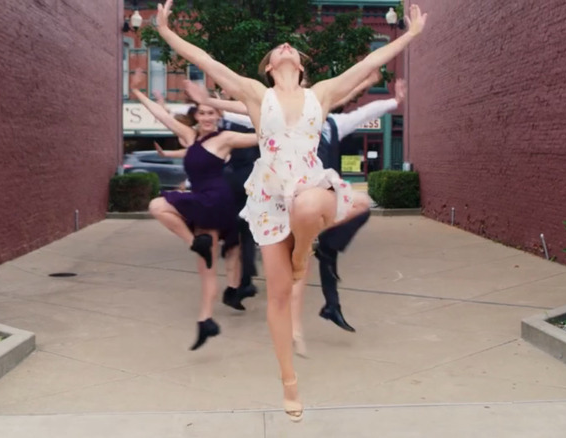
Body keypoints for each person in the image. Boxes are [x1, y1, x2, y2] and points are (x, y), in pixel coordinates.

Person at [154, 0, 428, 421]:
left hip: (309, 188)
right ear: (269, 68)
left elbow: (369, 62)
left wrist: (409, 35)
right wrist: (167, 33)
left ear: (301, 67)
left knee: (309, 204)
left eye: (292, 49)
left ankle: (303, 255)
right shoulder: (255, 95)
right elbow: (206, 60)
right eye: (279, 49)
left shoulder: (322, 94)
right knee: (279, 296)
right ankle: (288, 380)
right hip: (269, 199)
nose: (285, 46)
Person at [186, 77, 408, 345]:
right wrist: (210, 102)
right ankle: (296, 323)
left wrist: (393, 101)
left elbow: (364, 112)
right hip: (286, 201)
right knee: (293, 264)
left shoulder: (335, 125)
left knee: (349, 221)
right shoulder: (278, 119)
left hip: (318, 201)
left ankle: (328, 296)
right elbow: (247, 113)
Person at [130, 69, 258, 350]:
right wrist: (138, 92)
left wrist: (240, 101)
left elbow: (265, 132)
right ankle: (206, 321)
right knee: (206, 268)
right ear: (196, 116)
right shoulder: (189, 137)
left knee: (157, 204)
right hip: (200, 201)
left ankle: (196, 245)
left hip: (217, 202)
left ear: (218, 116)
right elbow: (161, 116)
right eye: (203, 113)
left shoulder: (226, 138)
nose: (208, 117)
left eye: (212, 113)